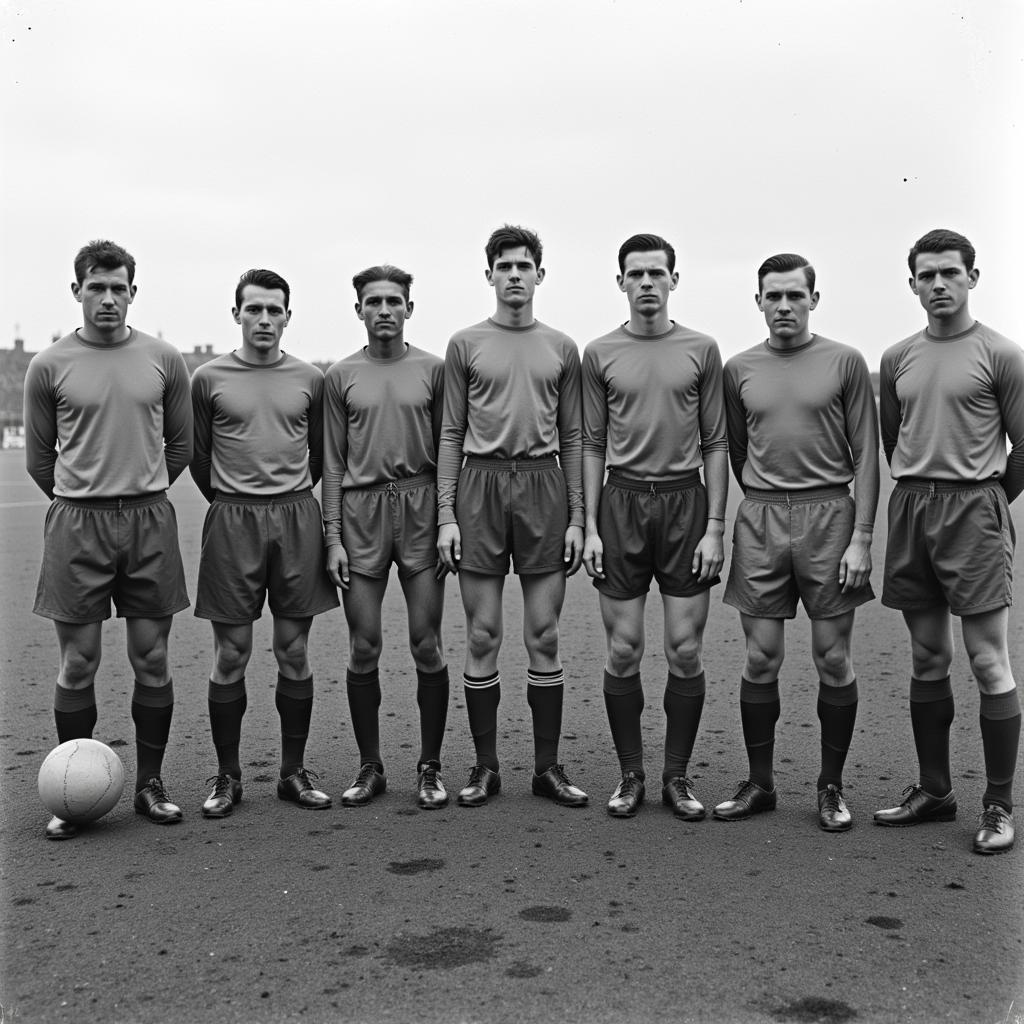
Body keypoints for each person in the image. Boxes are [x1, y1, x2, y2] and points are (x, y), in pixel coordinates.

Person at [24, 239, 193, 839]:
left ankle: (149, 783)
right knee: (79, 662)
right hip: (77, 523)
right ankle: (74, 789)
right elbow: (40, 458)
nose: (108, 298)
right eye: (96, 287)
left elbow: (180, 446)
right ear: (77, 291)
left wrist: (137, 492)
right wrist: (87, 499)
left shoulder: (165, 359)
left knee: (151, 658)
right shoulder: (49, 365)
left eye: (118, 287)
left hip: (148, 520)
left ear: (132, 292)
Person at [714, 253, 879, 831]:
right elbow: (737, 449)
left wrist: (861, 537)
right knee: (761, 656)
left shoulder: (845, 362)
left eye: (795, 296)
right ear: (758, 301)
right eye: (773, 296)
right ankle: (760, 783)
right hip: (761, 520)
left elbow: (867, 456)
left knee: (832, 657)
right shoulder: (738, 369)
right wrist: (765, 501)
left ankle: (830, 787)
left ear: (814, 298)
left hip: (831, 518)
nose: (784, 306)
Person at [875, 229, 1023, 855]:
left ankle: (997, 805)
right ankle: (934, 791)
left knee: (988, 660)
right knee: (928, 658)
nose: (938, 284)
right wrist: (923, 494)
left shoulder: (1002, 354)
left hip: (975, 512)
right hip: (912, 508)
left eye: (950, 273)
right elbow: (893, 439)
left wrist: (987, 502)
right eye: (926, 275)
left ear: (972, 278)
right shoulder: (897, 357)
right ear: (912, 283)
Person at [436, 224, 588, 808]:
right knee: (483, 633)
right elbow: (450, 432)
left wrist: (576, 517)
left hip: (544, 486)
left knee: (544, 634)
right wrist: (447, 514)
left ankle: (547, 767)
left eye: (525, 265)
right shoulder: (465, 344)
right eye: (506, 266)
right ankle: (485, 765)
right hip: (480, 485)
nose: (516, 275)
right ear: (490, 275)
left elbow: (573, 435)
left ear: (540, 275)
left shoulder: (561, 347)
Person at [582, 232, 727, 819]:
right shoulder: (599, 353)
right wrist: (589, 525)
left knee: (684, 649)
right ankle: (630, 773)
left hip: (685, 504)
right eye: (635, 274)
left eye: (656, 273)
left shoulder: (702, 348)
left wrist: (716, 526)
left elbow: (716, 440)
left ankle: (676, 776)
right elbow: (591, 442)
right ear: (621, 283)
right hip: (620, 504)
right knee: (624, 649)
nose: (646, 283)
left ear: (673, 279)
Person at [190, 269, 339, 818]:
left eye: (274, 311)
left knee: (293, 650)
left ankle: (292, 772)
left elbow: (320, 455)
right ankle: (227, 777)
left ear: (288, 317)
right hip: (232, 520)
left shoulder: (310, 378)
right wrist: (234, 500)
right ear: (236, 315)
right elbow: (200, 459)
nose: (264, 320)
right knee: (231, 652)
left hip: (297, 517)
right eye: (254, 310)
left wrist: (287, 498)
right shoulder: (207, 377)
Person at [322, 265, 450, 810]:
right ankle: (370, 765)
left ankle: (429, 766)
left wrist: (447, 516)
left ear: (409, 309)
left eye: (393, 301)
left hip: (420, 506)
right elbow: (330, 462)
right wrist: (332, 535)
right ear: (358, 311)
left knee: (426, 641)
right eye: (372, 301)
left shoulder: (434, 370)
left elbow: (451, 448)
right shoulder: (340, 376)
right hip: (361, 512)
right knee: (364, 643)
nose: (383, 310)